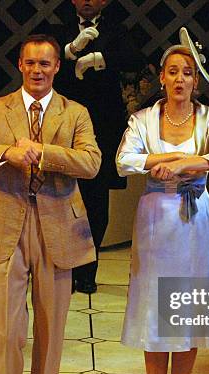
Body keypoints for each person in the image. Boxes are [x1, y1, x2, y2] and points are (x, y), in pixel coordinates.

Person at [0, 34, 101, 374]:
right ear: (20, 65)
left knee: (50, 328)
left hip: (57, 226)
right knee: (5, 329)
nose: (38, 70)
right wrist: (9, 152)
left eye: (45, 64)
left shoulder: (74, 112)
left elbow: (92, 162)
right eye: (30, 63)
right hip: (6, 223)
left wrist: (42, 152)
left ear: (57, 66)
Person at [117, 32, 209, 374]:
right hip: (155, 217)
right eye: (173, 72)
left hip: (194, 219)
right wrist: (161, 160)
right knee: (155, 310)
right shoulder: (145, 119)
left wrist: (188, 163)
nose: (180, 79)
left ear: (195, 81)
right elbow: (124, 160)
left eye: (187, 72)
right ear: (162, 79)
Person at [53, 0, 145, 294]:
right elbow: (46, 62)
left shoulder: (117, 30)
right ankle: (65, 268)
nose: (88, 1)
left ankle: (88, 269)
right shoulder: (60, 28)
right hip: (65, 124)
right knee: (63, 199)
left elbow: (134, 58)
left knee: (96, 200)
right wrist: (71, 51)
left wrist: (98, 58)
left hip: (102, 125)